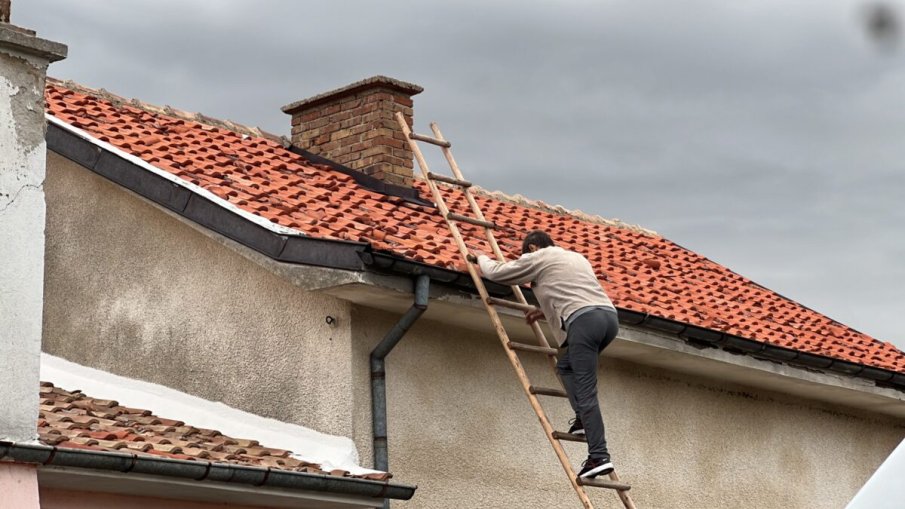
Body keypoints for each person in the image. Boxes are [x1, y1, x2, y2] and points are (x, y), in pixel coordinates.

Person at [474, 230, 619, 479]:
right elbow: (571, 292)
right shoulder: (576, 258)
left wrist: (480, 258)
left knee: (586, 391)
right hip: (607, 319)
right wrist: (544, 312)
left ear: (532, 247)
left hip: (584, 323)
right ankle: (583, 421)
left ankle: (599, 456)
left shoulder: (539, 256)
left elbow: (498, 273)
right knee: (565, 366)